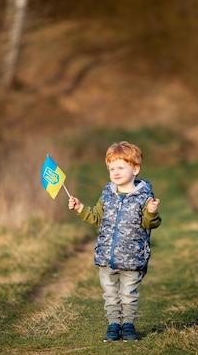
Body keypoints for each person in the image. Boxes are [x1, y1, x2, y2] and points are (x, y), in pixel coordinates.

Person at [68, 141, 161, 342]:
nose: (115, 172)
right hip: (106, 258)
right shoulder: (107, 195)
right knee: (110, 295)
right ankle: (113, 325)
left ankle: (128, 325)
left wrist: (151, 213)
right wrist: (80, 207)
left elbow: (149, 224)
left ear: (135, 169)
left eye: (121, 168)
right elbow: (96, 218)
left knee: (128, 295)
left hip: (133, 258)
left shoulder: (144, 197)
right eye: (112, 168)